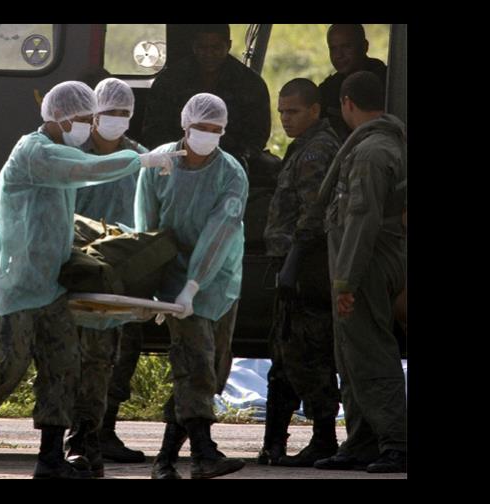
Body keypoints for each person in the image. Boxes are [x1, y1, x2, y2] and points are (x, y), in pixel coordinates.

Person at [0, 80, 182, 479]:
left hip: (52, 282)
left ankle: (50, 458)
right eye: (85, 119)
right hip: (16, 282)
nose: (89, 127)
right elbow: (85, 169)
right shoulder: (33, 152)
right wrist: (140, 162)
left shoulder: (63, 149)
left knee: (62, 367)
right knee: (9, 364)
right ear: (63, 118)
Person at [136, 93, 247, 480]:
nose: (207, 135)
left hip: (216, 281)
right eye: (201, 128)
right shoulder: (160, 164)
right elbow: (145, 225)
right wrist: (147, 284)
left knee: (209, 372)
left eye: (215, 130)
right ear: (185, 126)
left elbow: (219, 235)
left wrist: (195, 284)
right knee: (195, 366)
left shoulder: (231, 174)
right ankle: (203, 453)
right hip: (170, 279)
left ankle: (166, 460)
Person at [312, 71, 407, 473]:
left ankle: (397, 442)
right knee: (349, 353)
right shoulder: (388, 143)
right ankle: (362, 441)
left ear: (348, 103)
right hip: (374, 258)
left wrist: (346, 280)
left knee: (369, 353)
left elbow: (361, 219)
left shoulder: (370, 153)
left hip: (366, 263)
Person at [63, 78, 150, 476]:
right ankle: (70, 433)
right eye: (108, 113)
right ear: (93, 115)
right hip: (78, 268)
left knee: (116, 354)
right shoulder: (72, 155)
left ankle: (101, 430)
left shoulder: (141, 160)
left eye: (122, 114)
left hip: (123, 272)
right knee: (72, 354)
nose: (115, 120)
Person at [257, 78, 342, 467]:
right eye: (282, 112)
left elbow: (314, 215)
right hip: (295, 261)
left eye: (293, 112)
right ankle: (274, 443)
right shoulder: (305, 148)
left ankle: (323, 439)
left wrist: (292, 264)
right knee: (285, 355)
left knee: (308, 355)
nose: (286, 119)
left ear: (314, 110)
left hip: (306, 265)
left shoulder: (315, 153)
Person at [142, 24, 270, 168]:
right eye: (202, 48)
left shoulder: (249, 83)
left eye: (216, 48)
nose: (209, 54)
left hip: (230, 162)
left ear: (228, 45)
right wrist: (177, 156)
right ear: (193, 46)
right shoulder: (170, 79)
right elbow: (154, 130)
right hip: (177, 160)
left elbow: (257, 136)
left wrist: (232, 161)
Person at [319, 24, 388, 141]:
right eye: (333, 49)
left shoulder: (387, 81)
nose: (338, 55)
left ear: (364, 46)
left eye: (346, 47)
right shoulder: (329, 88)